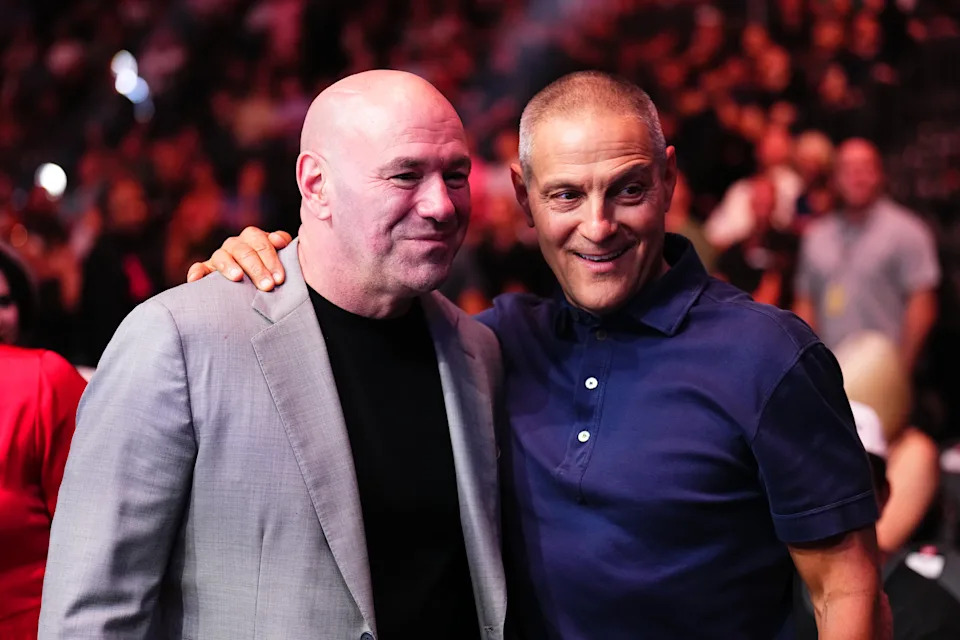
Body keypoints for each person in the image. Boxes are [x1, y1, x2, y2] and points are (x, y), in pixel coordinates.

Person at [194, 71, 888, 639]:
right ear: (524, 198)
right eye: (565, 195)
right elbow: (354, 306)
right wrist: (263, 265)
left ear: (669, 180)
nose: (598, 225)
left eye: (629, 189)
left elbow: (848, 594)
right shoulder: (491, 344)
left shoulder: (768, 356)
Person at [39, 70, 506, 640]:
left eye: (455, 175)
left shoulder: (478, 352)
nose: (441, 205)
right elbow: (91, 616)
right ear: (316, 184)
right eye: (405, 175)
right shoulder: (179, 339)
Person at [794, 138, 940, 374]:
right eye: (847, 169)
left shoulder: (909, 231)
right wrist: (809, 367)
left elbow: (922, 306)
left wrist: (900, 371)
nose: (856, 177)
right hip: (829, 374)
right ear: (835, 179)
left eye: (865, 168)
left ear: (880, 174)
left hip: (884, 373)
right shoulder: (817, 236)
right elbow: (806, 302)